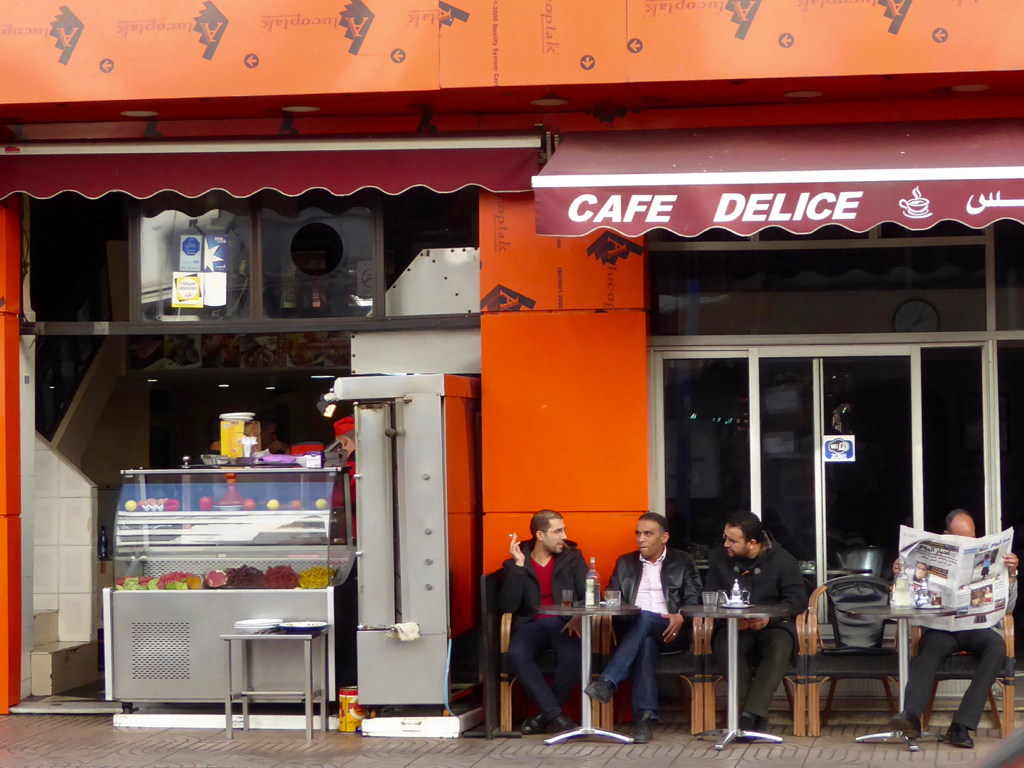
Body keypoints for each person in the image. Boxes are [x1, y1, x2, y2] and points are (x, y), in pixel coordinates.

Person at [889, 509, 1019, 749]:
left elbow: (1007, 608)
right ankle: (911, 717)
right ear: (946, 536)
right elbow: (906, 602)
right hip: (941, 629)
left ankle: (961, 725)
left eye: (972, 537)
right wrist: (901, 575)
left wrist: (1010, 576)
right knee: (926, 656)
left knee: (997, 647)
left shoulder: (995, 559)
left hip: (977, 627)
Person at [583, 512, 702, 743]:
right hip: (634, 630)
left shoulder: (682, 561)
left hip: (671, 630)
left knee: (647, 618)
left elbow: (694, 598)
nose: (641, 539)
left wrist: (680, 615)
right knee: (645, 641)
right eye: (638, 533)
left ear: (664, 537)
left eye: (648, 533)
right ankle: (644, 721)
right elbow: (612, 597)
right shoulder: (625, 562)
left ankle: (608, 681)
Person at [704, 511, 808, 733]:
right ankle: (752, 718)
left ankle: (748, 714)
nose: (726, 544)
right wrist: (728, 617)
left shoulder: (784, 560)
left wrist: (770, 618)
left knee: (780, 647)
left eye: (732, 540)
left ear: (752, 543)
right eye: (725, 537)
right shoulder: (717, 558)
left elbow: (797, 599)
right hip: (733, 627)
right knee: (726, 647)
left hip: (773, 626)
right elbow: (710, 595)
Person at [498, 510, 587, 735]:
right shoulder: (515, 564)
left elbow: (590, 595)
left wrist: (577, 616)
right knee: (516, 654)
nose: (564, 536)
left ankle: (544, 716)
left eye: (563, 530)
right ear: (539, 534)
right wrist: (519, 566)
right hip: (532, 624)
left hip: (565, 622)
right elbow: (508, 605)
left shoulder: (573, 558)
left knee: (574, 654)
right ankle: (556, 715)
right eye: (557, 531)